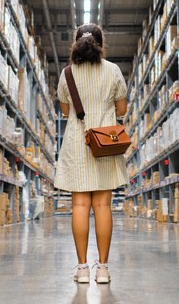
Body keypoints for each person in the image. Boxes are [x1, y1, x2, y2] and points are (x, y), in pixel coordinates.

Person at [55, 24, 128, 284]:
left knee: (80, 206)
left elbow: (65, 112)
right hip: (105, 143)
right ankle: (104, 269)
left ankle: (83, 269)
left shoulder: (67, 73)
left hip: (77, 143)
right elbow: (121, 110)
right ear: (101, 43)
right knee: (102, 206)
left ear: (76, 44)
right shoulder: (113, 70)